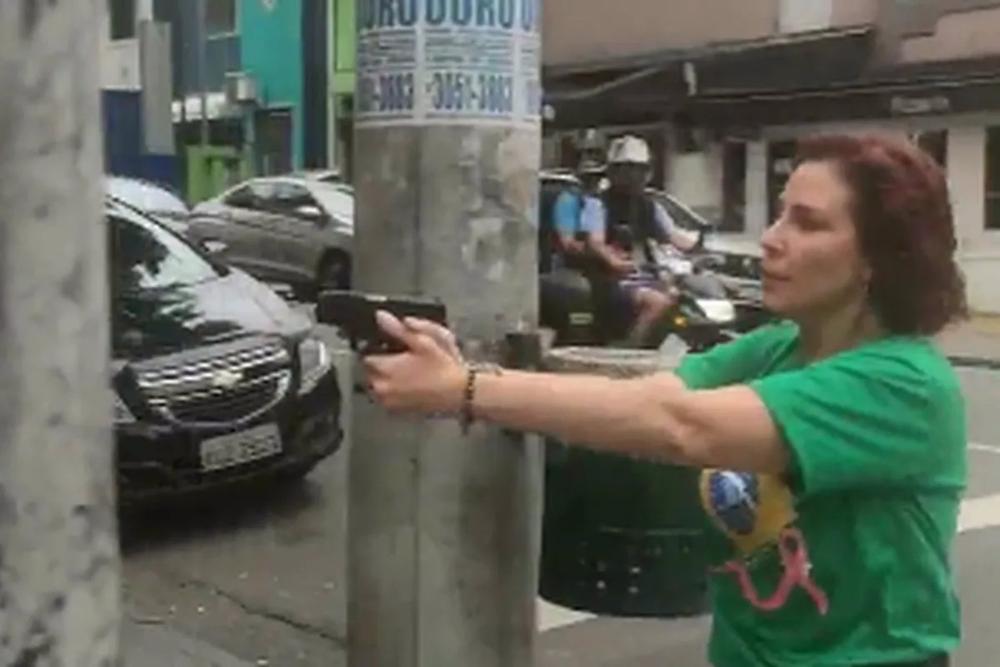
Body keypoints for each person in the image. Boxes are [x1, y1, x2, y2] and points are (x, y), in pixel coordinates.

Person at [363, 134, 968, 667]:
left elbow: (681, 427)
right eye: (780, 215)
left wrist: (464, 390)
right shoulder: (778, 346)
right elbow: (651, 396)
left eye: (807, 224)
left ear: (877, 259)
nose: (771, 239)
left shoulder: (904, 384)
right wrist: (467, 375)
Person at [588, 135, 701, 346]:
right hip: (610, 280)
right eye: (627, 169)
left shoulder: (649, 206)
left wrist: (700, 248)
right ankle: (628, 352)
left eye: (639, 169)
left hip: (645, 276)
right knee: (656, 303)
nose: (634, 175)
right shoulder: (597, 204)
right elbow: (596, 243)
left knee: (686, 298)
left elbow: (673, 236)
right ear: (613, 172)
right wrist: (614, 261)